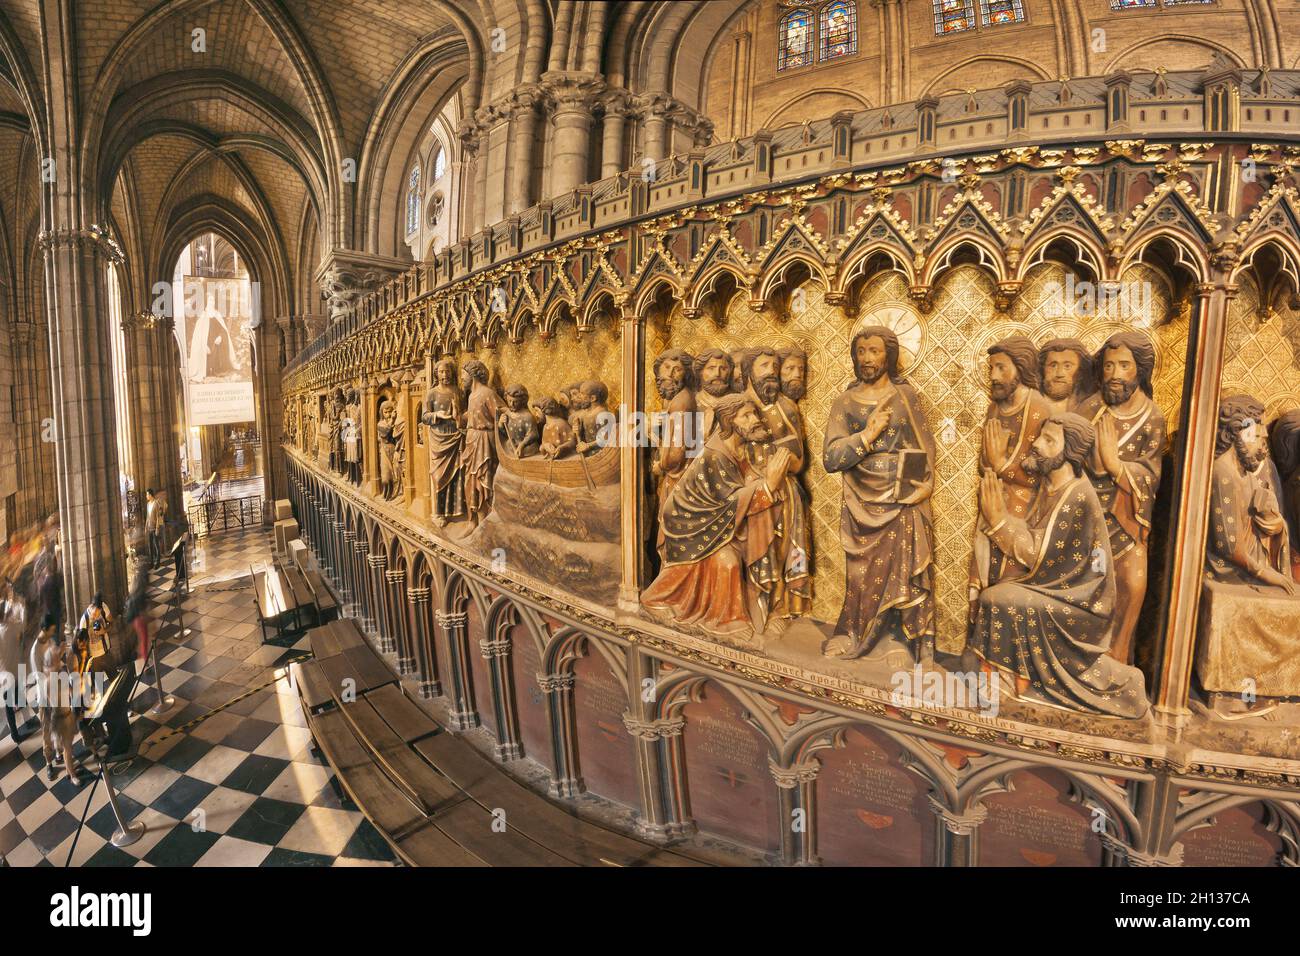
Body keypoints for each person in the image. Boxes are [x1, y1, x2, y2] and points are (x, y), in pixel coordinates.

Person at [970, 413, 1149, 718]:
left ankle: (1008, 686)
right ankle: (1016, 681)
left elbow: (1040, 554)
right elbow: (1036, 540)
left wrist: (998, 521)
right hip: (1055, 591)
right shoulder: (1050, 485)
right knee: (999, 590)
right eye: (1041, 436)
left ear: (1070, 453)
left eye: (1049, 440)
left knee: (997, 599)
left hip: (1081, 607)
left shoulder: (1076, 495)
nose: (1037, 444)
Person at [822, 326, 937, 660]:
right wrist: (866, 436)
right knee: (861, 574)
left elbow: (922, 447)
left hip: (901, 499)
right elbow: (831, 458)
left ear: (889, 355)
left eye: (874, 351)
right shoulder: (844, 401)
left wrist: (923, 486)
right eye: (861, 351)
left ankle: (902, 639)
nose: (867, 358)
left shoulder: (905, 397)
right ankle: (853, 631)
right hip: (860, 500)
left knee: (904, 570)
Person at [642, 393, 793, 639]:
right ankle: (728, 620)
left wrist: (763, 483)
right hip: (691, 527)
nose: (755, 419)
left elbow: (735, 492)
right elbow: (726, 503)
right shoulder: (716, 455)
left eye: (754, 413)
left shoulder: (740, 450)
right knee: (728, 562)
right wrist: (766, 486)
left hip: (718, 524)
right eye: (746, 415)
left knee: (753, 548)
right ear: (728, 421)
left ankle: (765, 609)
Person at [1085, 331, 1166, 665]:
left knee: (1133, 583)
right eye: (1108, 366)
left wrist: (1117, 466)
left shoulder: (1152, 418)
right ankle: (1081, 659)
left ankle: (1116, 661)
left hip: (1129, 522)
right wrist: (1093, 460)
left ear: (1140, 370)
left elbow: (1152, 476)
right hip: (1087, 521)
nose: (1115, 374)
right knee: (1088, 585)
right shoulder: (1091, 409)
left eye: (1124, 366)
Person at [0, 588, 28, 740]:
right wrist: (22, 605)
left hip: (5, 674)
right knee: (16, 697)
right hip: (14, 671)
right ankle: (26, 723)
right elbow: (23, 624)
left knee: (9, 705)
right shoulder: (11, 628)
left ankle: (15, 734)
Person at [145, 487, 166, 569]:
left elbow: (158, 517)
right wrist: (145, 527)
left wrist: (157, 528)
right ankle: (151, 562)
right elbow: (148, 516)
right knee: (150, 546)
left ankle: (158, 562)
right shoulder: (148, 504)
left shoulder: (156, 503)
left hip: (155, 528)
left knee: (156, 545)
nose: (146, 496)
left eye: (147, 494)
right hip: (149, 527)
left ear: (150, 495)